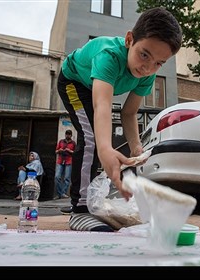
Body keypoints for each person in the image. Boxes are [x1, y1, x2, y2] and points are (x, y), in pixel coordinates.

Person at [57, 7, 182, 232]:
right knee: (92, 139)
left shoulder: (148, 74)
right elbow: (102, 105)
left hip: (94, 88)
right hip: (73, 81)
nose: (148, 67)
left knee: (98, 140)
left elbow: (129, 113)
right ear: (129, 40)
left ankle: (85, 202)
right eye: (144, 54)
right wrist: (105, 149)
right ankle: (80, 210)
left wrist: (136, 147)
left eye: (159, 63)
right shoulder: (109, 56)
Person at [54, 129, 76, 200]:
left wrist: (70, 151)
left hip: (69, 161)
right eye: (67, 134)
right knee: (57, 177)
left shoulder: (73, 143)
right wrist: (59, 150)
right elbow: (56, 151)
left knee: (67, 178)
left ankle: (63, 193)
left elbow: (75, 152)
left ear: (71, 135)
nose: (67, 135)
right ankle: (60, 193)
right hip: (60, 160)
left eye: (69, 134)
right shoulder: (61, 141)